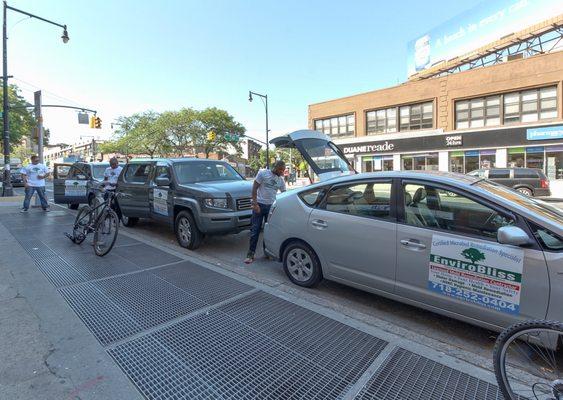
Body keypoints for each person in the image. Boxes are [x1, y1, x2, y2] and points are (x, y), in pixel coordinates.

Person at [244, 160, 286, 264]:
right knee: (255, 231)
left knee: (268, 232)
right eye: (280, 169)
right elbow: (254, 188)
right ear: (275, 167)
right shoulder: (263, 173)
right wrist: (255, 204)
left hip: (271, 208)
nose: (282, 172)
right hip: (259, 205)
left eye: (283, 170)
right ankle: (250, 254)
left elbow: (284, 194)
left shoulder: (281, 180)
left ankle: (267, 253)